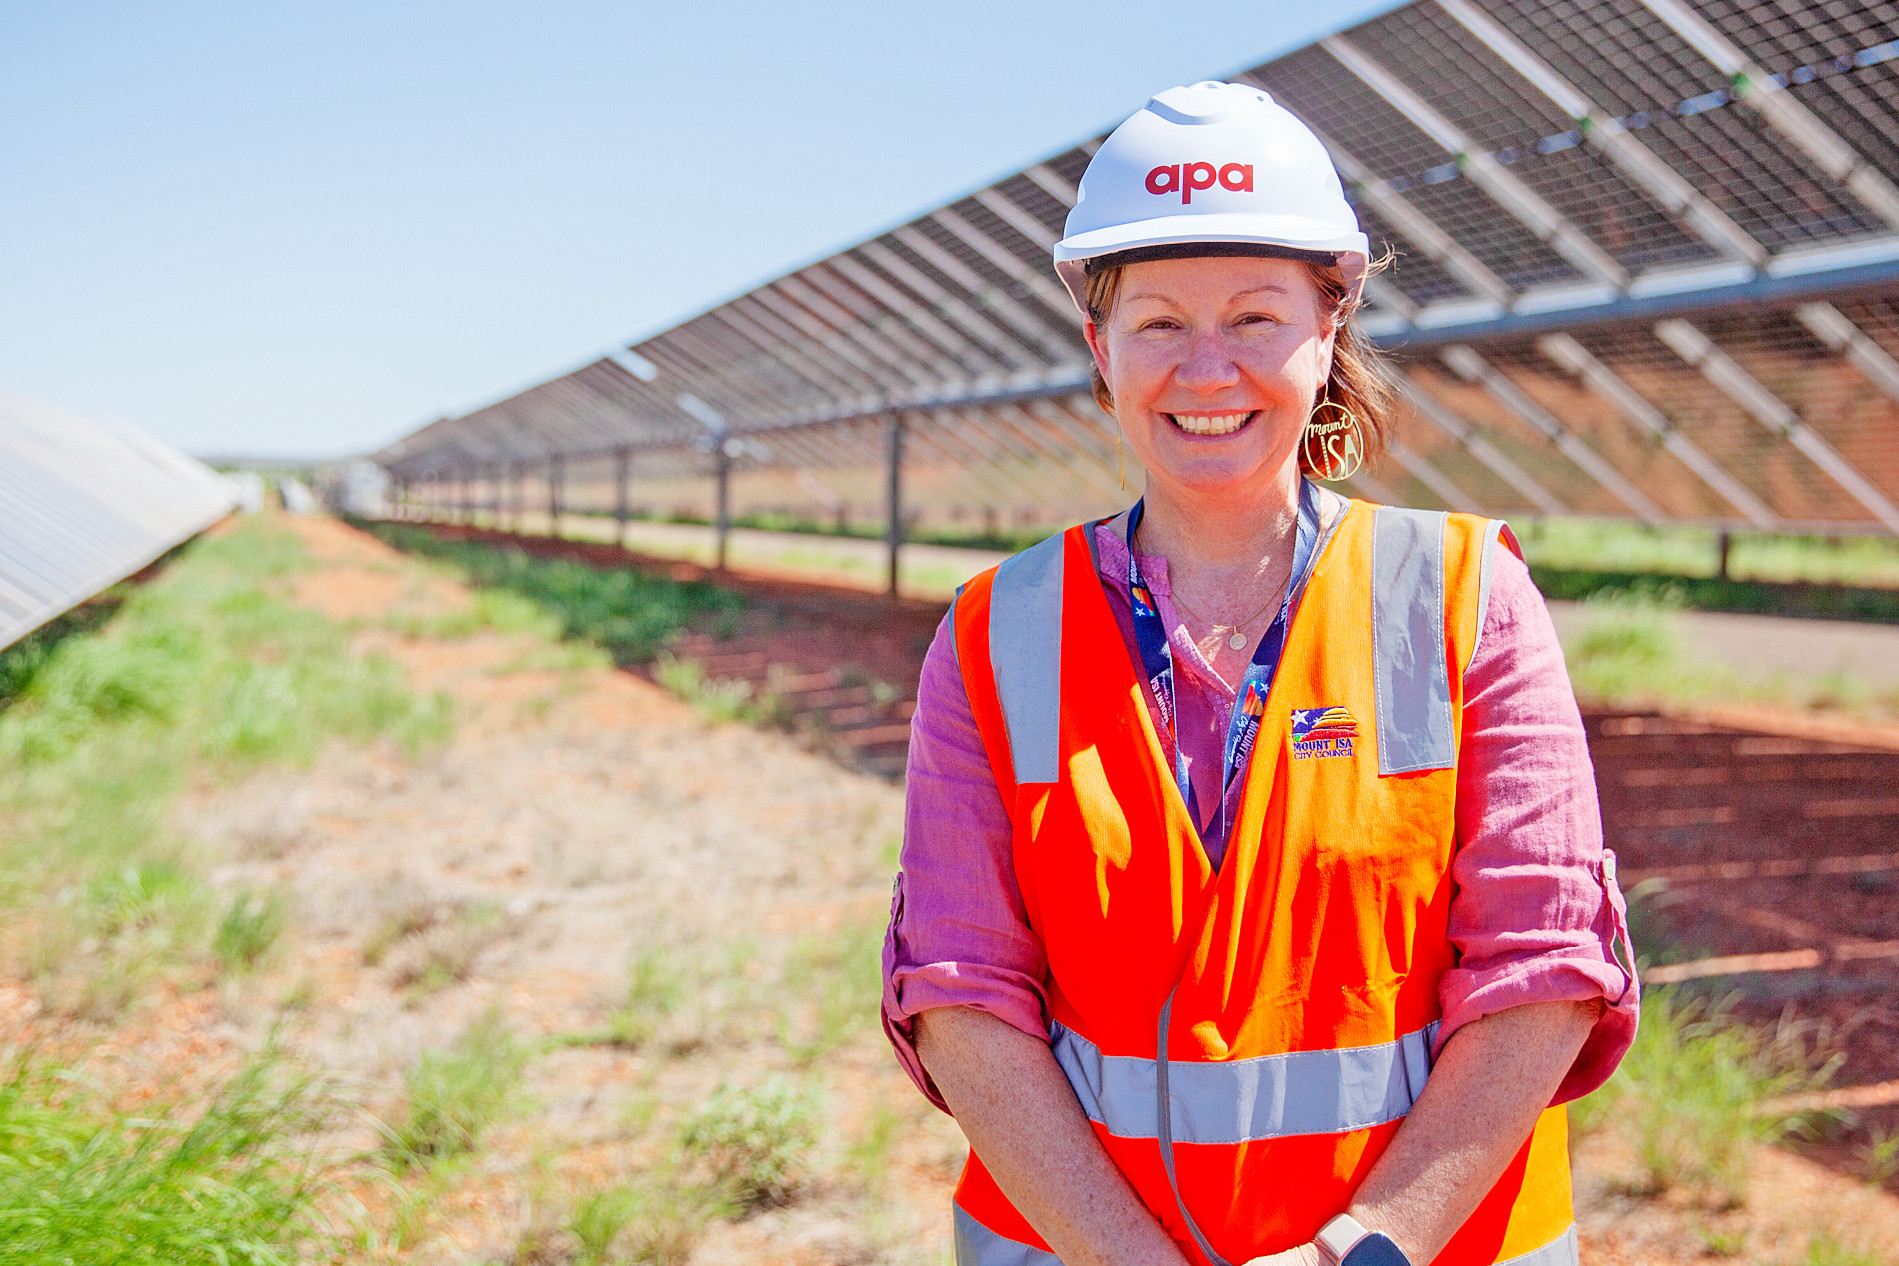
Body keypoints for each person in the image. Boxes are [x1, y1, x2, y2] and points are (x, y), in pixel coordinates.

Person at [880, 81, 1638, 1266]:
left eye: (1254, 318)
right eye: (1160, 324)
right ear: (1100, 345)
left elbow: (1542, 967)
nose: (1207, 369)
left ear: (1329, 328)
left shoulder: (1462, 598)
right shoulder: (994, 633)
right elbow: (961, 991)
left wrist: (1366, 1249)